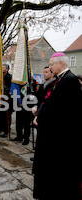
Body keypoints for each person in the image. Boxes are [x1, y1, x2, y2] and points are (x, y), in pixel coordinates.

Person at [32, 52, 82, 200]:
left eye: (52, 64)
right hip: (51, 128)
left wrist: (41, 119)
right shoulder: (61, 80)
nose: (51, 67)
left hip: (60, 132)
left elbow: (60, 108)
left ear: (61, 63)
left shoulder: (69, 80)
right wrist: (40, 116)